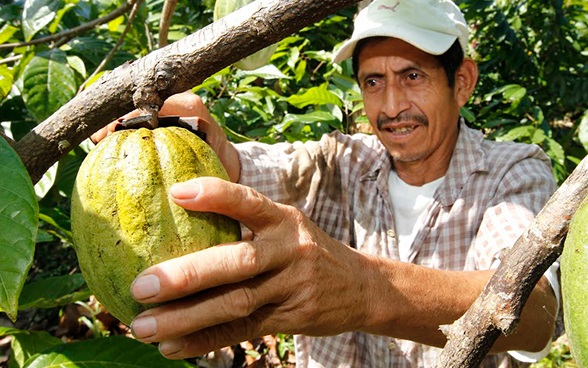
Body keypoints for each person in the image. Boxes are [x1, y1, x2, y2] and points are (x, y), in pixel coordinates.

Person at [95, 0, 561, 366]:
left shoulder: (513, 170)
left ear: (462, 81)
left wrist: (366, 289)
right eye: (373, 81)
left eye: (412, 76)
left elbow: (536, 313)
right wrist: (205, 142)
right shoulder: (346, 161)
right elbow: (253, 169)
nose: (392, 104)